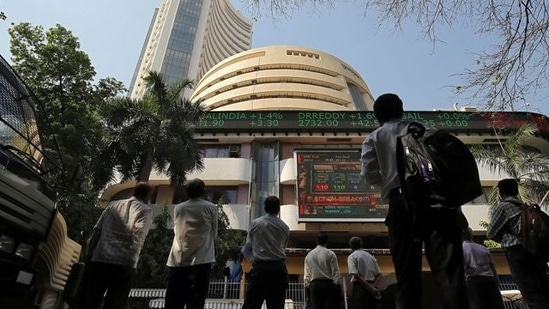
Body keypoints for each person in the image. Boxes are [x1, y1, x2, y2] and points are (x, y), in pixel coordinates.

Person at [360, 93, 469, 309]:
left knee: (406, 273)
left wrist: (390, 177)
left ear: (377, 117)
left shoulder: (375, 137)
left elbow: (369, 175)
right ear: (402, 111)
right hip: (440, 203)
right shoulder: (427, 130)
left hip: (402, 203)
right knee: (449, 273)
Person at [79, 181, 155, 309]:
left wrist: (89, 253)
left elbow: (97, 230)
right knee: (115, 302)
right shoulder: (145, 210)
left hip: (100, 258)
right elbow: (139, 236)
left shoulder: (113, 205)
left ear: (134, 191)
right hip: (123, 262)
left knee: (91, 299)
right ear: (147, 195)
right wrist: (133, 258)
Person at [487, 178, 549, 308]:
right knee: (543, 289)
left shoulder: (503, 206)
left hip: (517, 253)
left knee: (530, 292)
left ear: (501, 192)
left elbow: (490, 233)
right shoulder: (524, 207)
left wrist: (504, 238)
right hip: (535, 251)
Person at [164, 178, 218, 309]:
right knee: (196, 303)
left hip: (178, 261)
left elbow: (176, 229)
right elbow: (214, 233)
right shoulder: (211, 208)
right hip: (201, 261)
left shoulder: (179, 208)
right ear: (203, 192)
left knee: (173, 302)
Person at [241, 195, 290, 309]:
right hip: (279, 268)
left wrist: (254, 260)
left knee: (251, 304)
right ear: (278, 209)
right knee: (276, 305)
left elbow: (248, 247)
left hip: (260, 268)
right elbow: (283, 248)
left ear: (265, 208)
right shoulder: (285, 227)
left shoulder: (255, 223)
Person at [462, 227, 504, 309]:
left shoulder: (462, 248)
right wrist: (496, 279)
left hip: (474, 281)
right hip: (489, 280)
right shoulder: (483, 248)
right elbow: (492, 265)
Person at [303, 233, 342, 309]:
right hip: (329, 285)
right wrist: (338, 287)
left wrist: (308, 289)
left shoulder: (309, 255)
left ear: (317, 242)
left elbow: (307, 275)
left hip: (315, 285)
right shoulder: (330, 254)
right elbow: (335, 272)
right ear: (327, 242)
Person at [346, 236, 382, 309]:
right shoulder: (370, 256)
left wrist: (368, 286)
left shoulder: (352, 257)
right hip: (373, 287)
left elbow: (356, 275)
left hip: (360, 287)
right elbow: (380, 275)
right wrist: (372, 287)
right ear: (361, 244)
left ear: (351, 246)